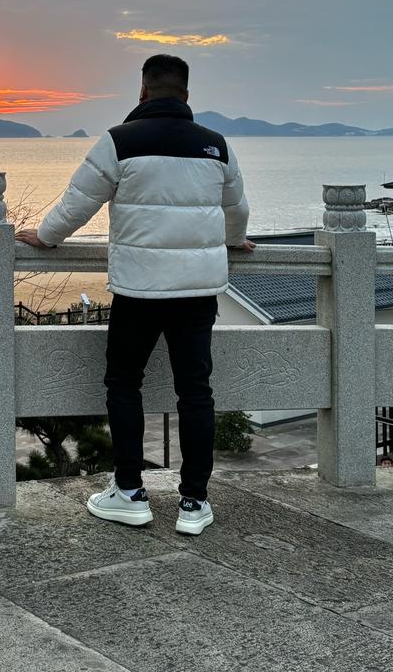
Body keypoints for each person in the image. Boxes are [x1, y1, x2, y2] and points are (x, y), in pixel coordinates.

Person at [16, 54, 252, 535]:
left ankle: (129, 493)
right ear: (186, 95)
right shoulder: (216, 145)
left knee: (124, 383)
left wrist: (46, 236)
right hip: (196, 291)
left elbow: (76, 204)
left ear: (142, 92)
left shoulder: (119, 141)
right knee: (196, 391)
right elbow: (237, 212)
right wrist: (233, 241)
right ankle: (194, 503)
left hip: (139, 290)